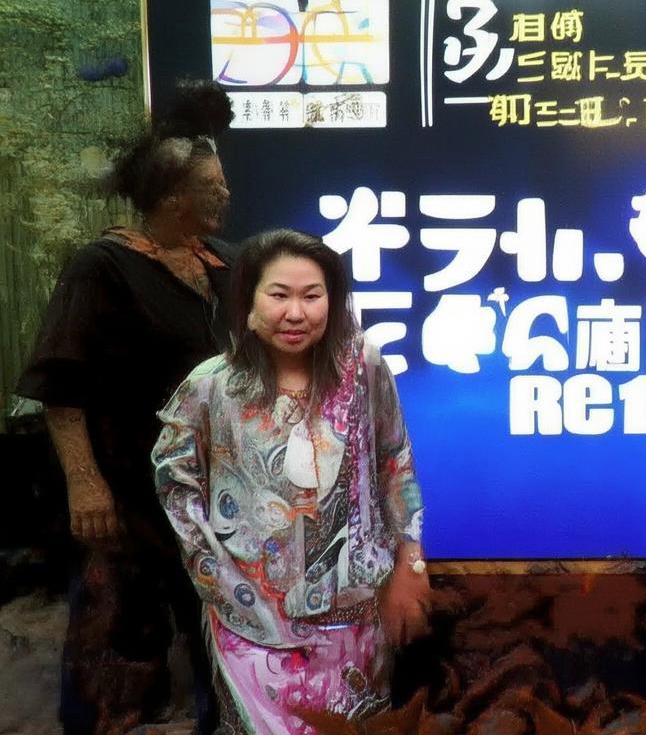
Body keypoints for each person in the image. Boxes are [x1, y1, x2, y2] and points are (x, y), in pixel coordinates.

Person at [16, 82, 235, 735]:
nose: (226, 193)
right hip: (126, 487)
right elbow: (62, 384)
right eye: (212, 185)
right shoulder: (103, 266)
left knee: (213, 628)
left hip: (209, 490)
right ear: (171, 196)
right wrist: (85, 482)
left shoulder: (222, 266)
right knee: (116, 630)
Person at [152, 229, 429, 734]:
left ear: (333, 301)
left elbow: (396, 462)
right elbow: (175, 482)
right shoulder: (212, 385)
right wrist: (213, 571)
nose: (296, 313)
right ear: (249, 300)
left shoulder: (363, 368)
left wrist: (410, 560)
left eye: (312, 296)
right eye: (279, 295)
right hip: (250, 624)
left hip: (355, 621)